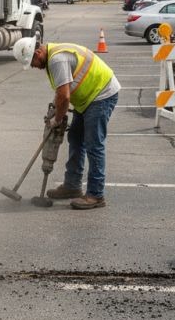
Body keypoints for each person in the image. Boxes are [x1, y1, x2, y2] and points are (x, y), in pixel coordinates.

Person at [12, 36, 120, 209]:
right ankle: (72, 186)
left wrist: (57, 119)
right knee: (76, 139)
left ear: (38, 53)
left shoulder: (57, 60)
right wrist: (55, 110)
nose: (33, 66)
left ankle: (96, 195)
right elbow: (61, 92)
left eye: (32, 62)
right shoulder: (51, 58)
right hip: (87, 98)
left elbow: (64, 96)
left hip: (101, 94)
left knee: (94, 145)